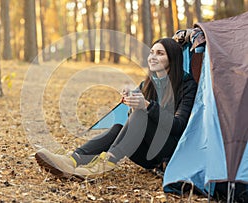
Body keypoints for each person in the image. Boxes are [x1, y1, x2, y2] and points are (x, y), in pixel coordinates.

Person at [35, 38, 198, 178]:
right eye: (151, 52)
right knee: (117, 127)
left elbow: (179, 125)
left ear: (173, 58)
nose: (152, 57)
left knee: (142, 115)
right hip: (146, 154)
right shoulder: (147, 84)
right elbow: (134, 123)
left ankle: (105, 165)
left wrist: (147, 106)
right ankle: (71, 160)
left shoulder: (187, 85)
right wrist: (131, 104)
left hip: (169, 154)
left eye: (160, 53)